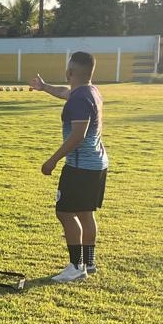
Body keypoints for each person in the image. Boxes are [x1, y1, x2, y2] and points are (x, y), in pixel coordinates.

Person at [31, 52, 109, 282]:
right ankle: (89, 261)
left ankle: (77, 267)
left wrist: (52, 160)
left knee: (64, 212)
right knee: (85, 213)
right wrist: (44, 87)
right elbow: (64, 92)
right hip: (96, 163)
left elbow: (78, 135)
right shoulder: (89, 91)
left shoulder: (79, 99)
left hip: (80, 167)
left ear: (70, 72)